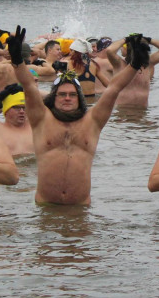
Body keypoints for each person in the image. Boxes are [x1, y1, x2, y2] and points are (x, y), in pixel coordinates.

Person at [10, 25, 144, 206]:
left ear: (80, 98)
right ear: (53, 97)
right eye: (62, 94)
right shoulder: (41, 119)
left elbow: (114, 88)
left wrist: (135, 65)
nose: (67, 98)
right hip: (46, 208)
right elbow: (27, 84)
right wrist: (17, 59)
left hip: (80, 210)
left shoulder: (92, 121)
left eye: (72, 95)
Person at [102, 35, 159, 107]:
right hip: (123, 111)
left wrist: (148, 39)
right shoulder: (119, 64)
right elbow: (109, 50)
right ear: (129, 50)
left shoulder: (147, 63)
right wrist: (126, 39)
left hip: (142, 111)